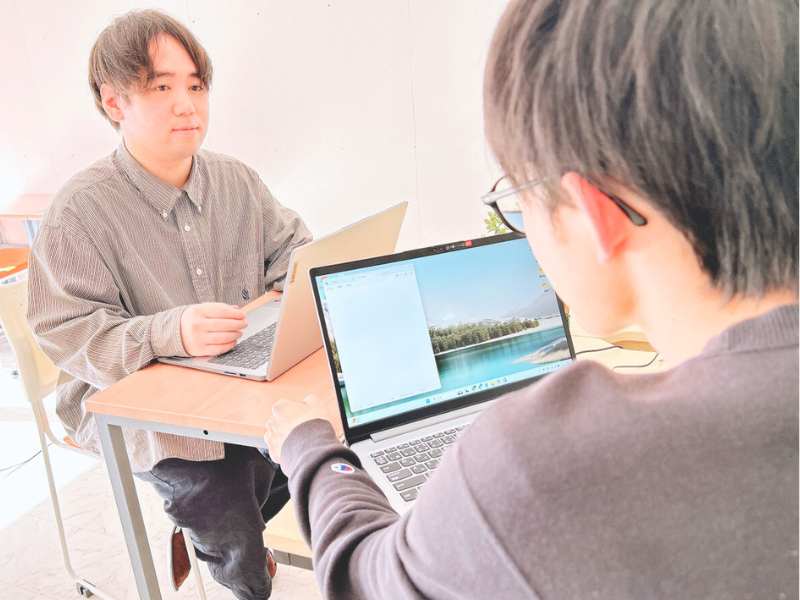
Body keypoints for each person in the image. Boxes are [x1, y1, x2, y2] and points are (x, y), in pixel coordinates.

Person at [263, 0, 799, 598]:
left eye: (517, 202)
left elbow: (364, 578)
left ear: (597, 213)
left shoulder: (547, 463)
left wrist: (311, 445)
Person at [26, 9, 311, 600]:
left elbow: (294, 250)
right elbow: (68, 332)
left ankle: (230, 533)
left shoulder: (235, 180)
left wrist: (296, 282)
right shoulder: (78, 212)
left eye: (196, 86)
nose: (188, 106)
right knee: (221, 486)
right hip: (130, 399)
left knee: (317, 435)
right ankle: (246, 578)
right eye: (162, 87)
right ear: (114, 102)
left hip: (234, 379)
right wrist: (169, 332)